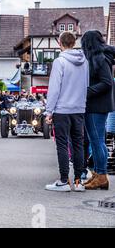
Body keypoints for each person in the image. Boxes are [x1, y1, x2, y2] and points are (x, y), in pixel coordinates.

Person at [45, 32, 89, 192]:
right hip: (79, 109)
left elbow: (54, 89)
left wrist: (49, 111)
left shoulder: (59, 62)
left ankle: (64, 181)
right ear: (74, 42)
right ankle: (78, 182)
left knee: (62, 145)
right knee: (78, 144)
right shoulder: (85, 62)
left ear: (59, 43)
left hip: (62, 109)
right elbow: (86, 85)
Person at [81, 30, 115, 191]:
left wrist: (86, 92)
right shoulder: (99, 57)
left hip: (97, 106)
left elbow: (107, 82)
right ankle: (97, 174)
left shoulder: (100, 59)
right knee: (96, 141)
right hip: (96, 105)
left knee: (97, 141)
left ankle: (101, 175)